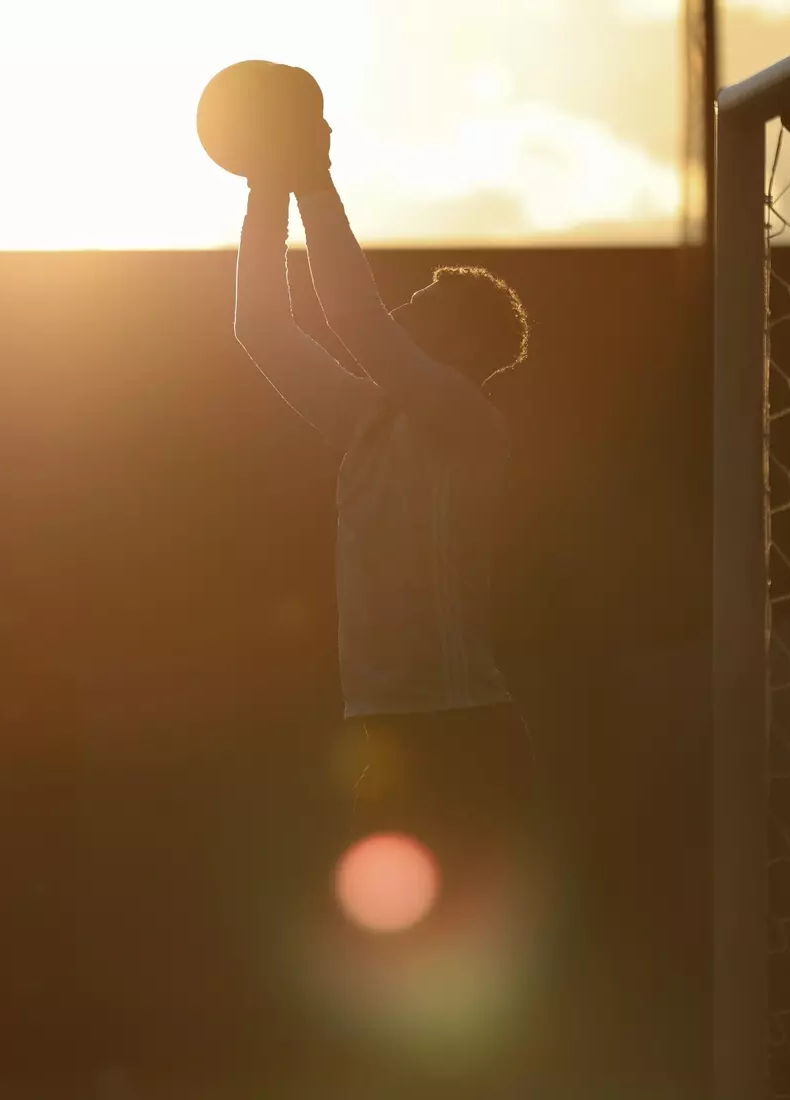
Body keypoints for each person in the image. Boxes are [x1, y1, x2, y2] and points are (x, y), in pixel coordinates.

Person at [232, 115, 541, 964]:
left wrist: (312, 176)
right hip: (386, 734)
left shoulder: (464, 422)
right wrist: (266, 187)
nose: (401, 312)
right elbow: (261, 329)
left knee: (477, 964)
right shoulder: (367, 420)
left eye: (424, 309)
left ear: (466, 345)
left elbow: (356, 317)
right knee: (399, 966)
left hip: (464, 732)